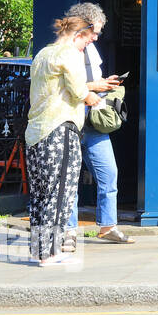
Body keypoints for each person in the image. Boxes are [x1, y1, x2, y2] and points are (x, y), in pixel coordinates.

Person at [25, 16, 102, 265]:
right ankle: (51, 252)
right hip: (60, 129)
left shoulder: (42, 54)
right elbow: (80, 92)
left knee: (39, 194)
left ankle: (39, 250)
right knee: (60, 193)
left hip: (35, 132)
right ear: (78, 34)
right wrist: (96, 98)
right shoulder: (70, 54)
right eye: (88, 40)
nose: (89, 44)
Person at [62, 2, 133, 245]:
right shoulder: (63, 52)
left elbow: (89, 79)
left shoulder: (90, 50)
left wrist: (105, 82)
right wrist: (94, 87)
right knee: (69, 178)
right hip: (70, 120)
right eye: (95, 32)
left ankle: (108, 226)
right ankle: (69, 231)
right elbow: (64, 87)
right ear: (82, 27)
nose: (96, 37)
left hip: (93, 121)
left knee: (108, 173)